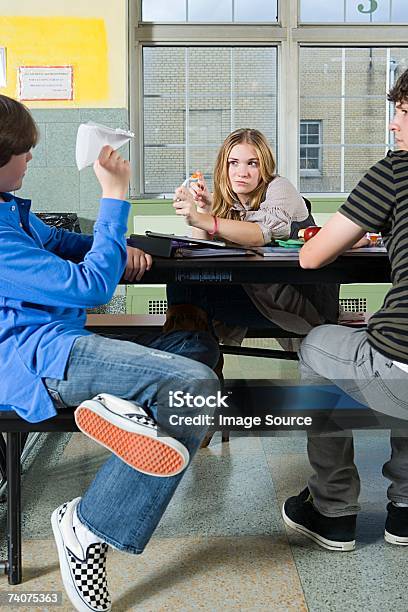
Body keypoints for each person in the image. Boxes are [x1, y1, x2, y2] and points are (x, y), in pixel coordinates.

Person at [0, 94, 220, 611]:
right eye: (23, 150)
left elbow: (66, 243)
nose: (31, 157)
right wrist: (115, 196)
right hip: (38, 360)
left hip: (67, 344)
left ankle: (120, 406)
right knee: (195, 387)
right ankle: (87, 525)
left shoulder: (11, 212)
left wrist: (116, 245)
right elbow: (93, 287)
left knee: (196, 342)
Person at [281, 68, 408, 552]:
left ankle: (332, 509)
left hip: (400, 369)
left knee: (316, 342)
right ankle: (405, 510)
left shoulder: (395, 170)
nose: (394, 125)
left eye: (402, 112)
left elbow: (311, 256)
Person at [165, 128, 344, 351]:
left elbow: (261, 233)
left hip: (297, 304)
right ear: (224, 166)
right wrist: (205, 210)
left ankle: (190, 367)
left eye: (252, 163)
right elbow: (199, 255)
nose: (242, 172)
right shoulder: (231, 203)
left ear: (264, 167)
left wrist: (204, 219)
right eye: (233, 163)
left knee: (187, 290)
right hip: (258, 295)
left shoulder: (280, 188)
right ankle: (195, 362)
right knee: (183, 279)